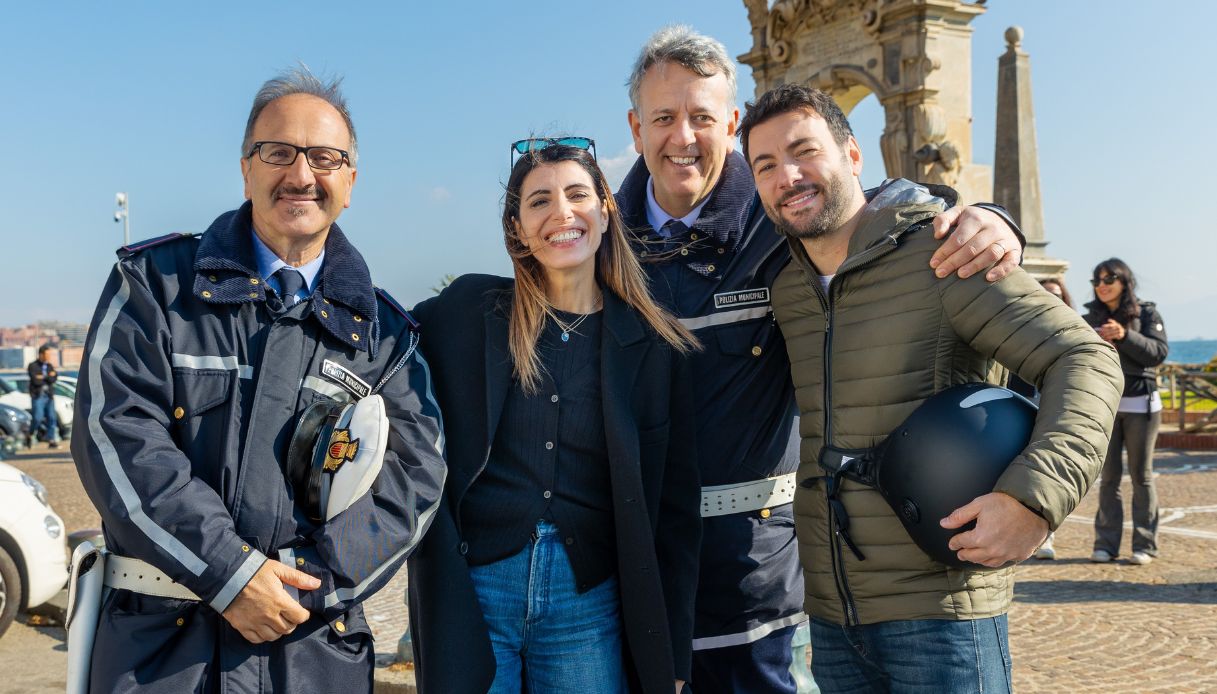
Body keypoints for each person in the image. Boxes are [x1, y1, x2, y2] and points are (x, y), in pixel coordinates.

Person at [614, 25, 1027, 693]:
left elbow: (872, 214)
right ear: (635, 129)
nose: (682, 137)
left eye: (701, 117)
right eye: (663, 118)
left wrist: (984, 216)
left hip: (760, 583)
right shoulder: (597, 243)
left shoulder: (782, 219)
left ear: (731, 123)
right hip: (632, 574)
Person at [71, 67, 446, 692]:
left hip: (309, 652)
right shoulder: (155, 288)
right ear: (246, 168)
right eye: (279, 153)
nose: (301, 175)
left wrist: (307, 577)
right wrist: (230, 573)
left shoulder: (385, 336)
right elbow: (117, 434)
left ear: (350, 181)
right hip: (161, 652)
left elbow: (415, 480)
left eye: (325, 157)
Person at [740, 83, 1122, 692]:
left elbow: (1085, 358)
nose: (788, 175)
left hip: (943, 616)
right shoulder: (784, 286)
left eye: (804, 150)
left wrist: (1033, 502)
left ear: (853, 154)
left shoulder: (945, 254)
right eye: (766, 166)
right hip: (833, 620)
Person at [406, 141, 700, 694]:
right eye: (539, 201)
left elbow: (676, 514)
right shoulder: (468, 311)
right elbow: (373, 338)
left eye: (577, 195)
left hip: (588, 602)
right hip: (474, 592)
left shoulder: (656, 348)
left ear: (606, 210)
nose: (561, 213)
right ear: (517, 228)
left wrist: (673, 652)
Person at [1085, 258, 1169, 566]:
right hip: (1104, 407)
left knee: (1141, 477)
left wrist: (1124, 335)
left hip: (1141, 406)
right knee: (1107, 478)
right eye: (1097, 280)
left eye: (1109, 279)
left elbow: (1157, 353)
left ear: (1124, 281)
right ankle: (1105, 545)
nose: (1102, 285)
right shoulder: (1088, 316)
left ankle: (1144, 545)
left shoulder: (1146, 314)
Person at [1022, 277, 1076, 560]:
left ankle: (1045, 535)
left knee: (1047, 471)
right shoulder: (1018, 323)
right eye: (1044, 292)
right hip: (1021, 403)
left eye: (1056, 293)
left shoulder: (1073, 331)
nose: (1050, 297)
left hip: (1053, 408)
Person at [27, 345, 60, 448]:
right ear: (41, 354)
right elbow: (35, 381)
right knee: (37, 417)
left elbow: (54, 379)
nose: (49, 356)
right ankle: (30, 434)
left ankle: (51, 440)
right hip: (38, 396)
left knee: (52, 418)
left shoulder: (50, 365)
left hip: (49, 396)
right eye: (47, 354)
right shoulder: (33, 366)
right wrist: (48, 376)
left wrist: (43, 376)